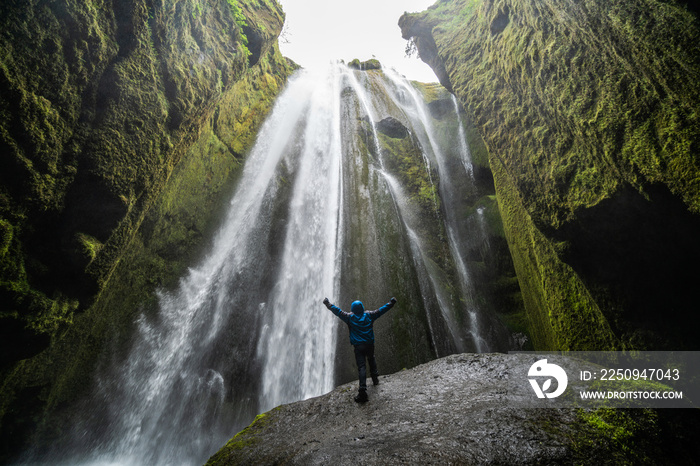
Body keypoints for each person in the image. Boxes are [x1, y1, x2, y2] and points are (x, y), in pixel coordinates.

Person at [323, 297, 397, 403]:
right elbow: (381, 310)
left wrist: (328, 304)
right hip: (369, 344)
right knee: (371, 359)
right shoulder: (369, 315)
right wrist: (391, 303)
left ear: (353, 309)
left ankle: (362, 390)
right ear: (362, 308)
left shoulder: (349, 317)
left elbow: (338, 312)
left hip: (358, 346)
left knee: (361, 367)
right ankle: (375, 378)